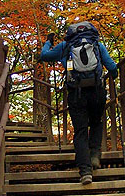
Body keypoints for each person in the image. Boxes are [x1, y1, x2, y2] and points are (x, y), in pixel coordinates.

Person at [39, 21, 118, 185]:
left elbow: (44, 56)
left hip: (76, 93)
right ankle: (95, 154)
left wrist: (48, 42)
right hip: (97, 90)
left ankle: (85, 171)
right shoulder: (96, 44)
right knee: (96, 122)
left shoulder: (65, 46)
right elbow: (112, 67)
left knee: (81, 131)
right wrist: (113, 76)